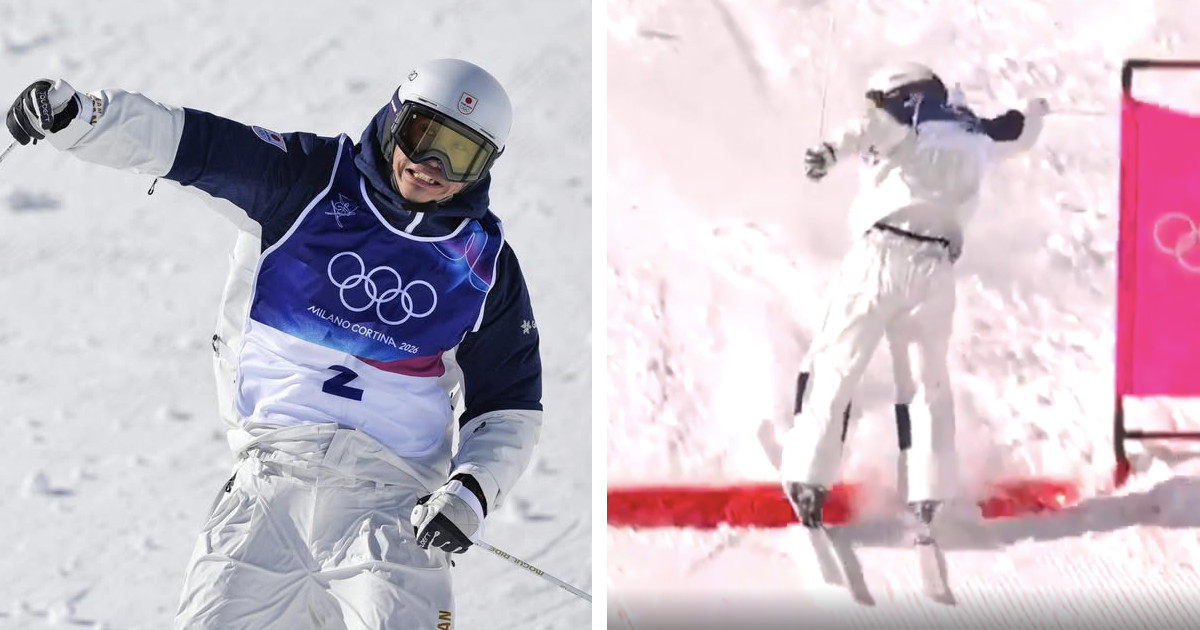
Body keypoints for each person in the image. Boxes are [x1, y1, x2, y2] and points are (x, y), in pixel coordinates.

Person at [5, 58, 544, 629]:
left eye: (461, 155)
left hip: (391, 506)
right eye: (422, 136)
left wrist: (471, 492)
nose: (433, 166)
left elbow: (508, 404)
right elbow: (193, 144)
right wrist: (82, 118)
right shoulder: (307, 179)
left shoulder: (483, 266)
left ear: (485, 166)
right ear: (393, 121)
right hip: (270, 485)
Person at [780, 62, 1047, 535]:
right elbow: (1018, 131)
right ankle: (929, 494)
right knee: (925, 384)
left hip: (880, 255)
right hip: (935, 270)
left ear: (899, 90)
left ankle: (807, 478)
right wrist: (1036, 109)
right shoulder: (976, 134)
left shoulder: (906, 115)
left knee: (835, 365)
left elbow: (865, 130)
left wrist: (829, 152)